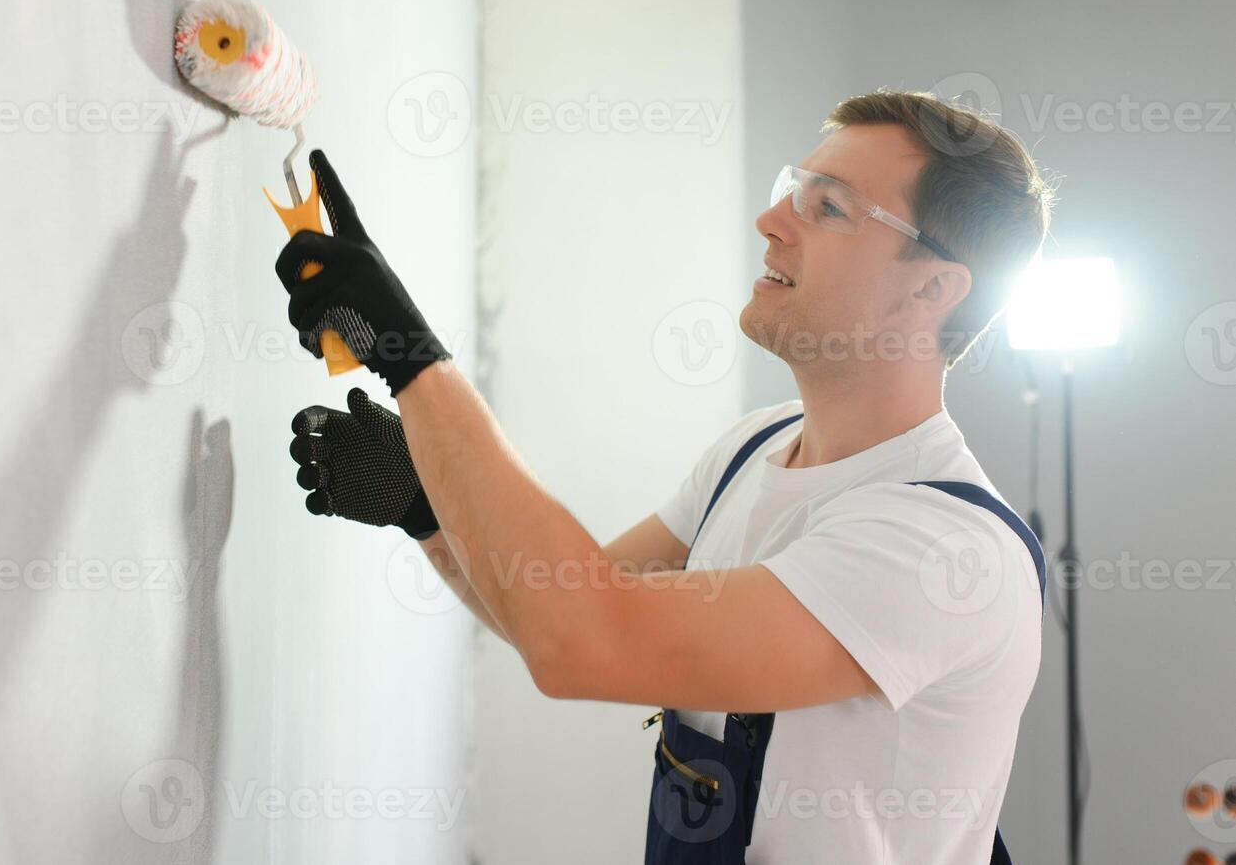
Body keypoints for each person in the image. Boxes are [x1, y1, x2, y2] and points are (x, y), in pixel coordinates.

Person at [275, 89, 1055, 863]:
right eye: (794, 190)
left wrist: (411, 360)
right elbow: (541, 608)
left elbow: (583, 642)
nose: (772, 221)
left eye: (828, 209)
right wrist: (426, 509)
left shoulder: (943, 550)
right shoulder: (756, 447)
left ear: (930, 287)